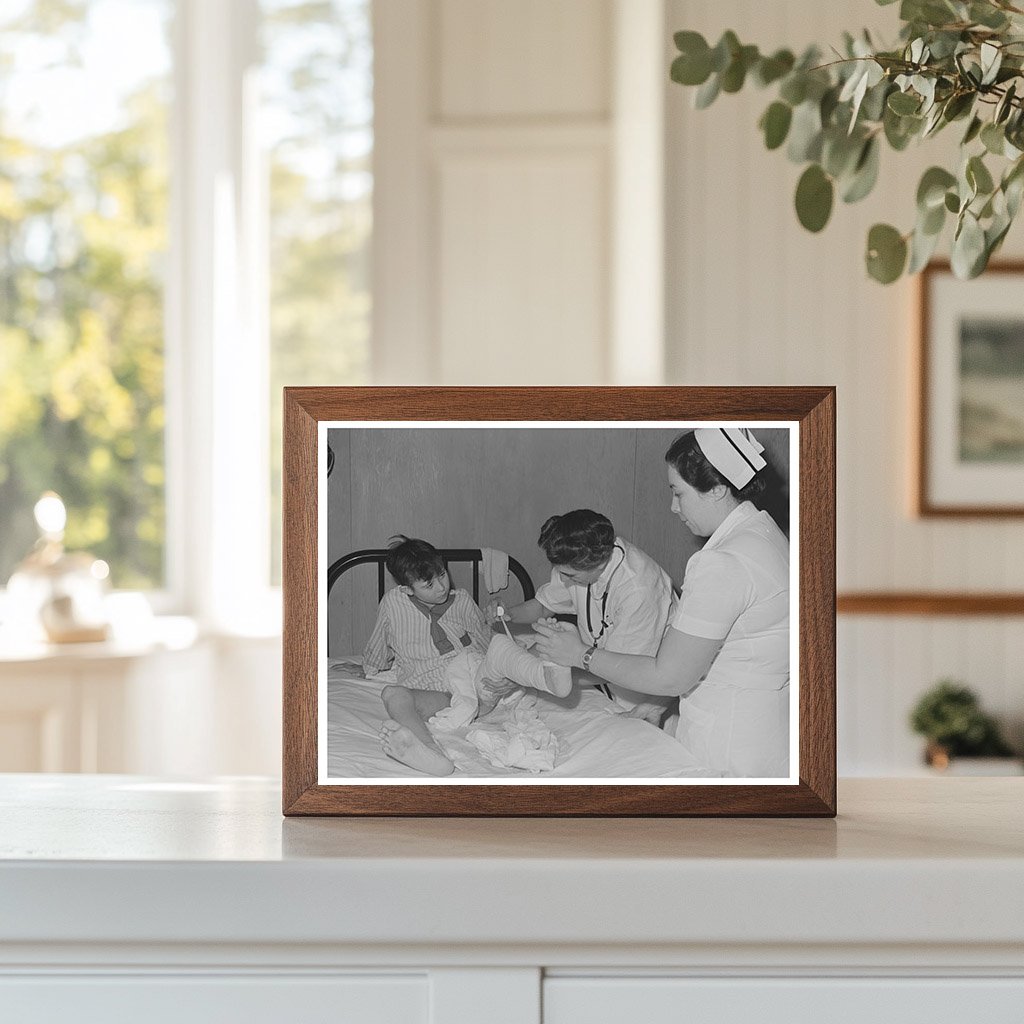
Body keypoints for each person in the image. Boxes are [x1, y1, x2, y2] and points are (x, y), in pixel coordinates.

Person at [533, 429, 790, 778]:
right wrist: (657, 704)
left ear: (717, 489)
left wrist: (580, 654)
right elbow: (710, 652)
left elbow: (669, 675)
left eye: (678, 492)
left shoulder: (722, 563)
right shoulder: (765, 535)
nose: (673, 507)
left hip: (729, 745)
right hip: (765, 733)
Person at [363, 536, 572, 776]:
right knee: (392, 694)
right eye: (428, 585)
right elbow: (379, 640)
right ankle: (431, 753)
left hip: (476, 684)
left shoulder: (461, 600)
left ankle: (544, 669)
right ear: (407, 588)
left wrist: (497, 646)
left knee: (499, 647)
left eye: (442, 575)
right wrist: (370, 667)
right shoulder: (393, 603)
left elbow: (484, 639)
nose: (441, 587)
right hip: (441, 696)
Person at [494, 509, 675, 717]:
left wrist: (533, 673)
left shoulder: (639, 590)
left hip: (643, 691)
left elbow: (618, 669)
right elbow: (544, 606)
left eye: (570, 575)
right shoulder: (579, 560)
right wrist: (507, 614)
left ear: (600, 564)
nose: (563, 581)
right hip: (603, 678)